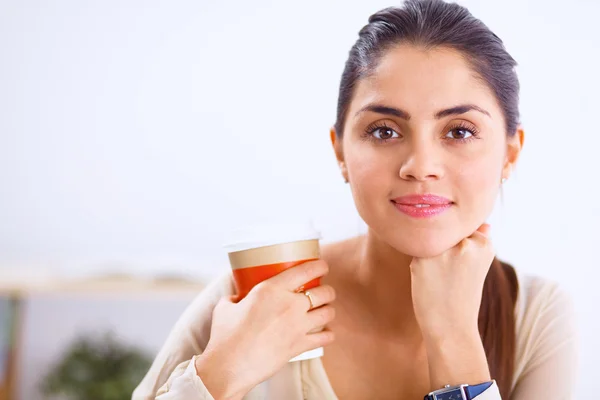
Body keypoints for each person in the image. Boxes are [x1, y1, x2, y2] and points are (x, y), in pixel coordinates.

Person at [132, 0, 578, 398]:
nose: (420, 165)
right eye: (384, 131)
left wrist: (453, 335)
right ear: (340, 151)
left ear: (510, 153)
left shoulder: (537, 317)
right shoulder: (254, 298)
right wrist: (220, 374)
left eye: (459, 131)